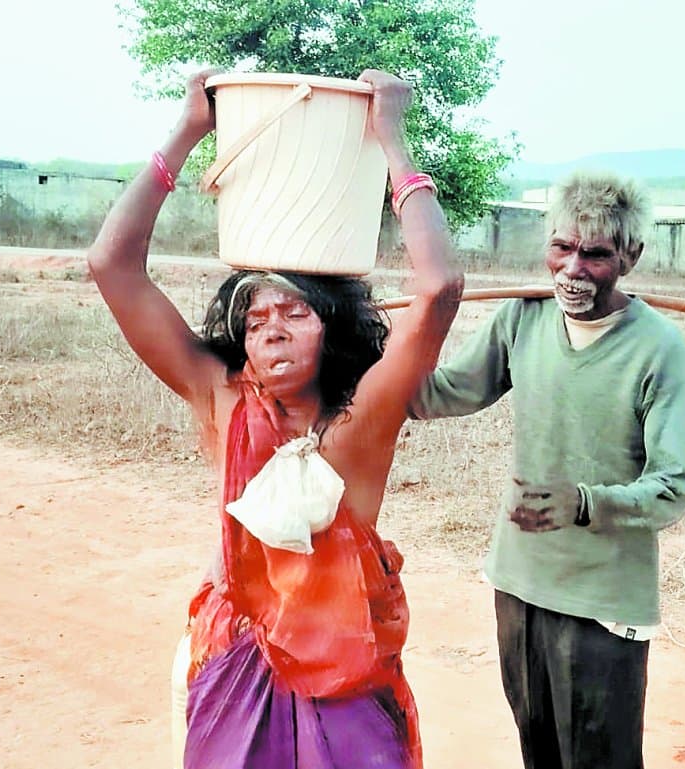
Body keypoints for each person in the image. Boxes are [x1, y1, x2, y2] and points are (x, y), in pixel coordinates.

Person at [87, 68, 463, 769]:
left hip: (346, 681)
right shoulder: (222, 397)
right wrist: (190, 129)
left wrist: (392, 140)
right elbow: (112, 264)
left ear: (336, 328)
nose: (272, 332)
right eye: (255, 319)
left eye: (295, 313)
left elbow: (439, 289)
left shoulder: (360, 423)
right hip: (236, 665)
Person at [409, 172, 685, 768]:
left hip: (602, 601)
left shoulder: (659, 348)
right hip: (518, 581)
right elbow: (439, 396)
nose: (572, 269)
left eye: (595, 255)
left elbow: (674, 487)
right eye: (561, 248)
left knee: (599, 759)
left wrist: (587, 503)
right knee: (537, 750)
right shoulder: (523, 319)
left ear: (631, 257)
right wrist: (387, 344)